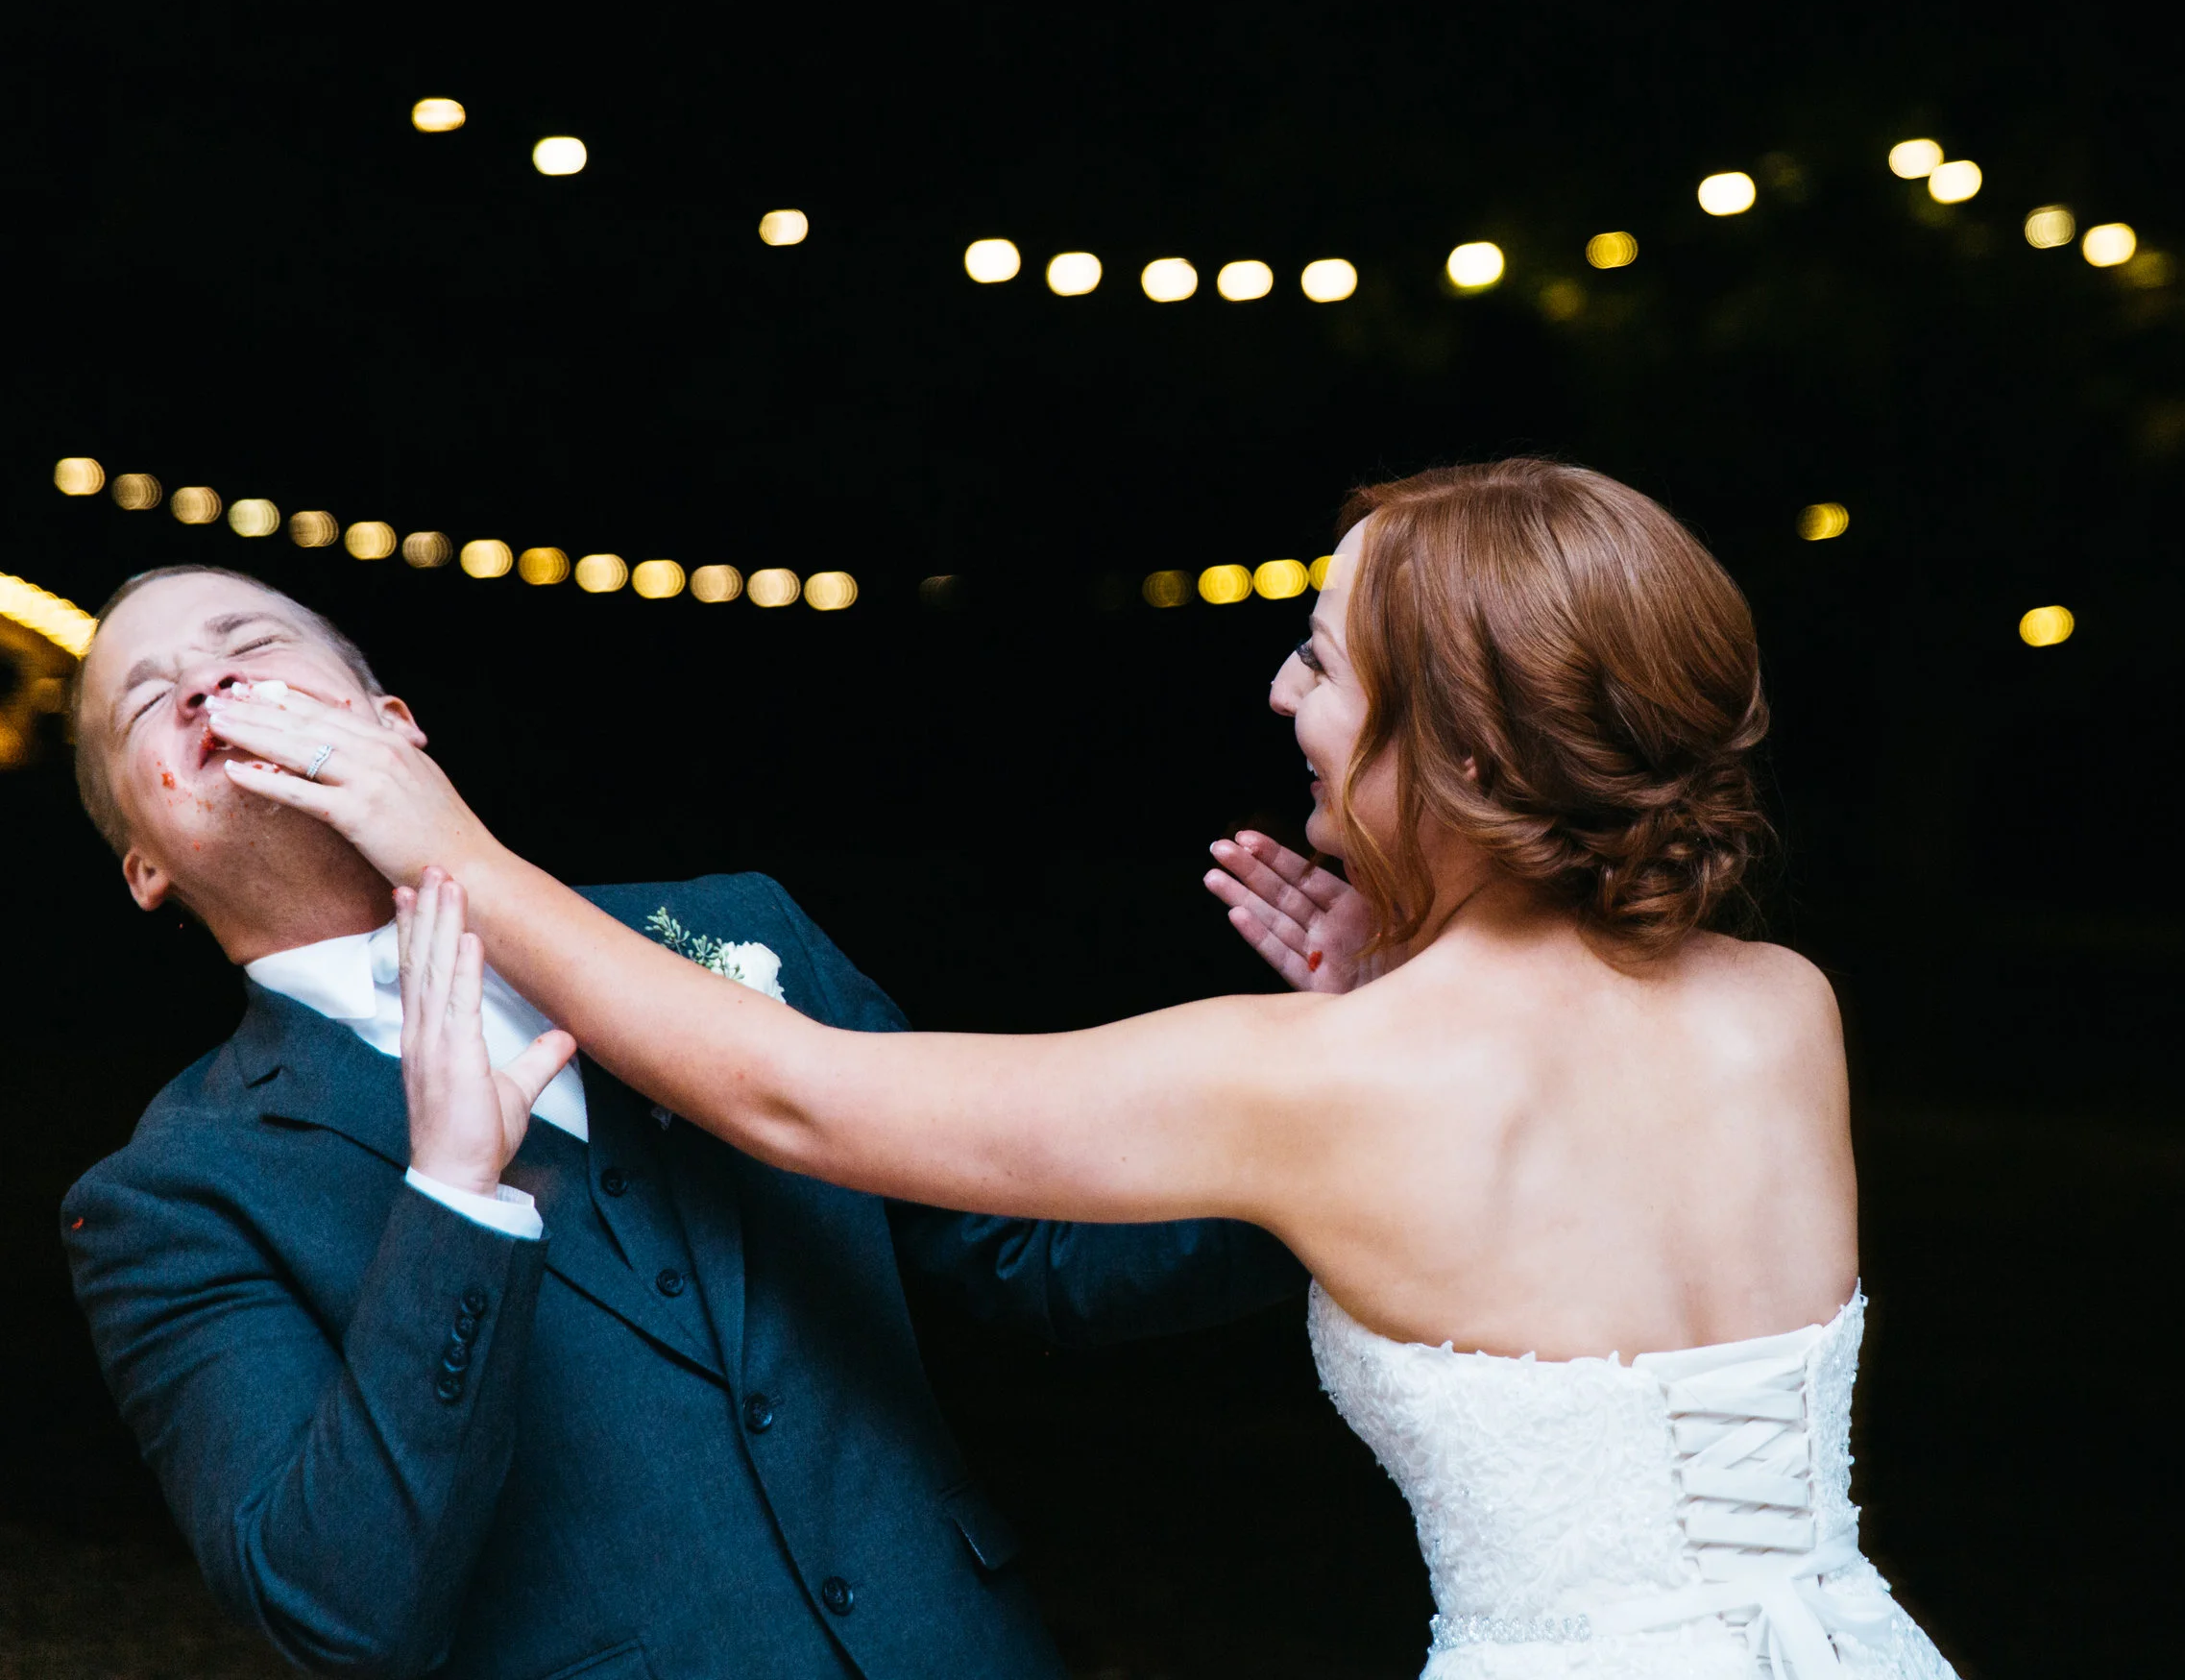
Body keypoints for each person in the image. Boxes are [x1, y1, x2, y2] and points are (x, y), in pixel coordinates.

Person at [218, 459, 1963, 1678]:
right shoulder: (1780, 1005)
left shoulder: (1323, 1080)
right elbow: (1570, 1193)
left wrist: (452, 850)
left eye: (1320, 658)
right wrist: (1406, 987)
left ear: (1466, 751)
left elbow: (797, 1095)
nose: (1281, 693)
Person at [59, 564, 1302, 1680]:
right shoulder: (167, 1197)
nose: (207, 681)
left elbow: (1026, 1248)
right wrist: (449, 1200)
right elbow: (339, 1611)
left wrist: (1339, 1128)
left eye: (250, 643)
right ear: (143, 869)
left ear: (395, 724)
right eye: (148, 699)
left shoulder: (732, 928)